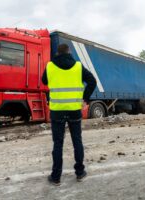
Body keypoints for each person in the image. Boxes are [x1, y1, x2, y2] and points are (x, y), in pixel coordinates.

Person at [42, 43, 97, 186]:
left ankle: (56, 177)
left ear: (57, 53)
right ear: (69, 52)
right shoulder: (78, 67)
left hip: (57, 111)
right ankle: (79, 173)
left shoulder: (50, 66)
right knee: (77, 141)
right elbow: (92, 81)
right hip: (74, 110)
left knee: (58, 144)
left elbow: (43, 81)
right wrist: (85, 98)